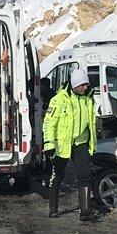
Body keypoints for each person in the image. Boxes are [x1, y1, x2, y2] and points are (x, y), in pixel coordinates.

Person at [43, 68, 98, 221]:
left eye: (86, 84)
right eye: (82, 85)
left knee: (84, 175)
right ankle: (53, 209)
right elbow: (49, 123)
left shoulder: (88, 99)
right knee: (57, 176)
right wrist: (49, 144)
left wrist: (91, 144)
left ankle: (85, 212)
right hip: (62, 145)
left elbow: (91, 123)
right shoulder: (59, 99)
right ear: (75, 85)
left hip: (81, 143)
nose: (85, 87)